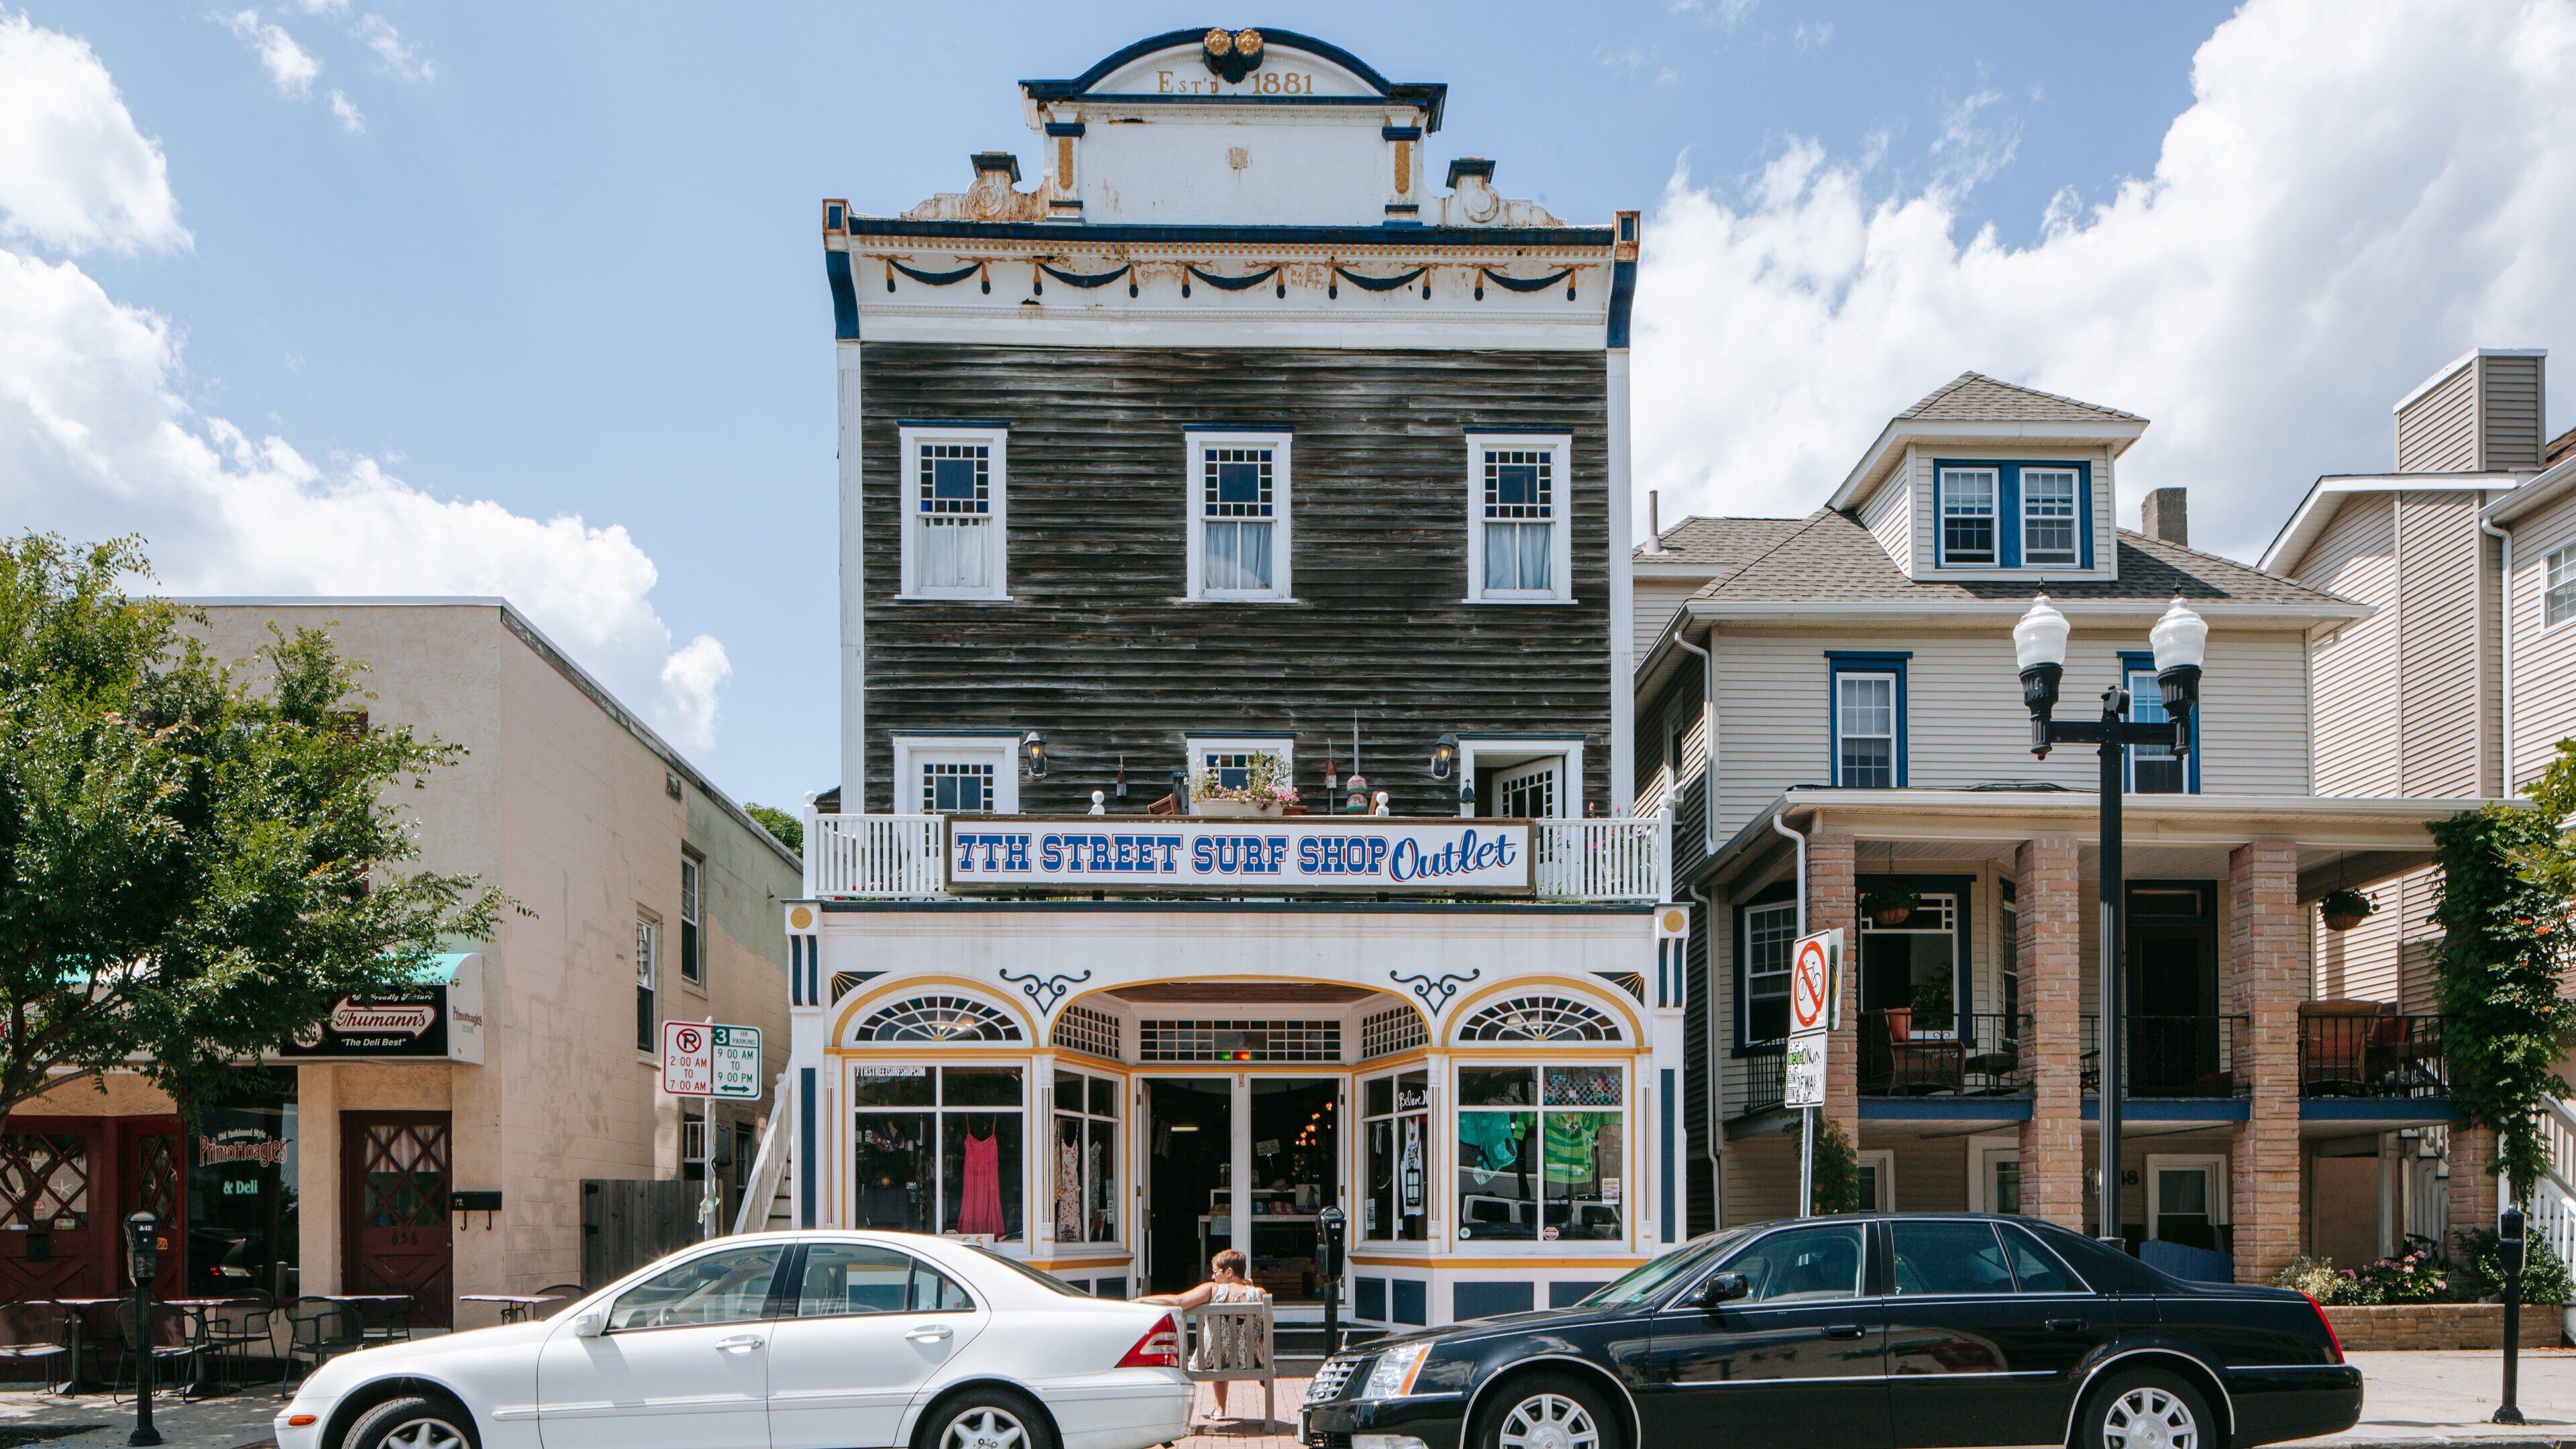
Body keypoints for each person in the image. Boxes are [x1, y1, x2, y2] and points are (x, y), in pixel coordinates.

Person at [1141, 1250, 1268, 1420]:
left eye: (1215, 1272)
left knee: (1219, 1351)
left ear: (1229, 1272)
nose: (1213, 1278)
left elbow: (1178, 1302)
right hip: (1251, 1361)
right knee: (1227, 1348)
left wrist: (1141, 1301)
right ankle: (1223, 1408)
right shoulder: (1260, 1293)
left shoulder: (1213, 1290)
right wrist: (1250, 1286)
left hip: (1211, 1361)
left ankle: (1220, 1409)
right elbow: (1268, 1325)